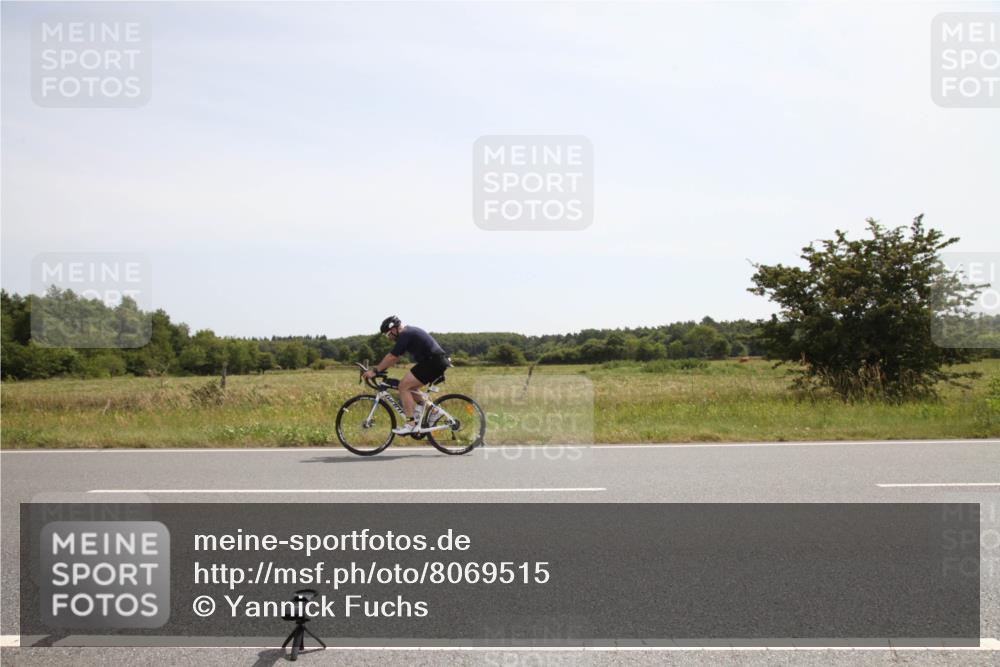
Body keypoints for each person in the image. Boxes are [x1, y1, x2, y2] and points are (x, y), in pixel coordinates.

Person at [362, 316, 450, 435]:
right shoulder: (407, 334)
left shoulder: (405, 334)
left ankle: (411, 424)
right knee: (411, 388)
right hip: (434, 362)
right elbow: (394, 358)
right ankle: (434, 411)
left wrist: (375, 371)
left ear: (394, 330)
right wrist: (379, 370)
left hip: (433, 362)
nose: (389, 338)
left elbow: (392, 356)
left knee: (403, 387)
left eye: (388, 335)